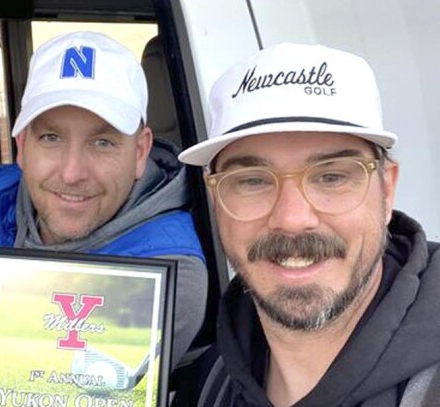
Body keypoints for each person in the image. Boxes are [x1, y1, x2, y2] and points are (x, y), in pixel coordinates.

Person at [0, 31, 207, 405]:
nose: (72, 172)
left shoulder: (172, 268)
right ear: (22, 145)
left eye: (103, 142)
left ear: (140, 151)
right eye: (51, 138)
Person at [178, 43, 440, 406]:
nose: (292, 219)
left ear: (387, 190)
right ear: (216, 201)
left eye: (331, 177)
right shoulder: (208, 386)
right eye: (253, 181)